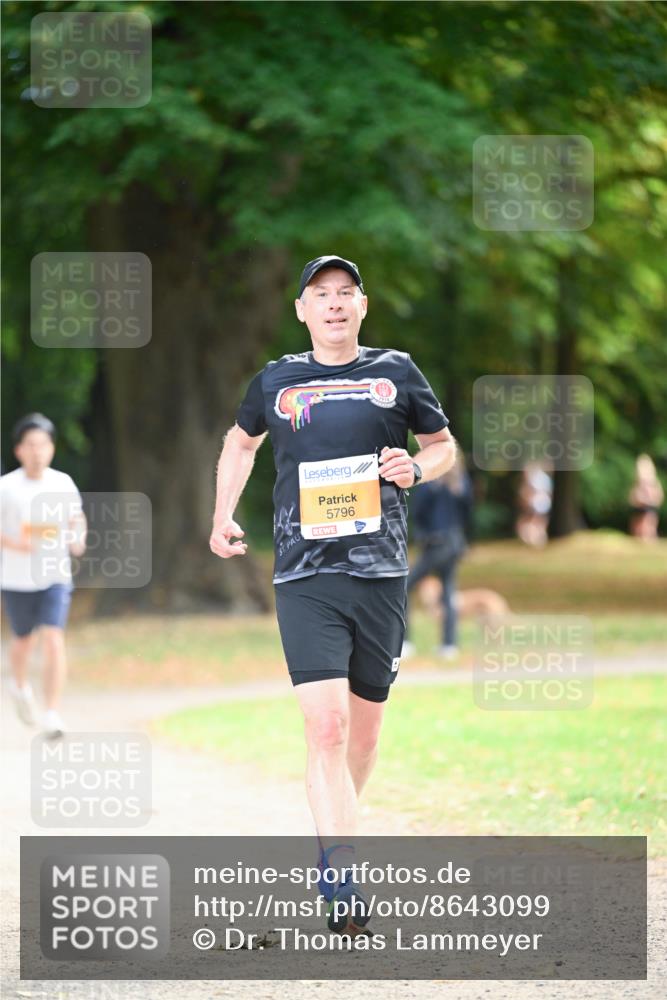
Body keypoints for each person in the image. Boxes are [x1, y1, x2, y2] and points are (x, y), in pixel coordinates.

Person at [209, 255, 455, 933]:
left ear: (362, 306)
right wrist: (222, 512)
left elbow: (441, 445)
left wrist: (416, 467)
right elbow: (239, 443)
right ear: (302, 310)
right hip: (303, 574)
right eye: (322, 295)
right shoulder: (277, 380)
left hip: (378, 574)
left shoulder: (396, 372)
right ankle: (342, 878)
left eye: (346, 294)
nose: (335, 304)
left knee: (363, 738)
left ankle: (333, 837)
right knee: (325, 727)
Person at [1, 413, 86, 739]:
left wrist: (77, 538)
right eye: (31, 445)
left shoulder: (62, 483)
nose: (38, 451)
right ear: (19, 449)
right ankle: (19, 686)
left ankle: (52, 713)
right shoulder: (6, 487)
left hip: (55, 573)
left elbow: (76, 519)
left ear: (51, 448)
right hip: (16, 577)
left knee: (53, 639)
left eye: (44, 445)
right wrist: (17, 544)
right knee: (23, 641)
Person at [402, 451, 473, 660]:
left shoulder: (430, 482)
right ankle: (449, 645)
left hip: (435, 543)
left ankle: (405, 641)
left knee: (405, 588)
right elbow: (467, 512)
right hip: (454, 543)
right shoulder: (461, 482)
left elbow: (418, 510)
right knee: (448, 593)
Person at [515, 462, 552, 547]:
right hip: (542, 502)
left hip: (536, 502)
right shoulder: (544, 478)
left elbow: (528, 491)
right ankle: (536, 537)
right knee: (537, 520)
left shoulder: (535, 478)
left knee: (533, 520)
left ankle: (533, 537)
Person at [628, 454, 663, 541]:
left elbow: (659, 497)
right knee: (637, 525)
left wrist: (649, 500)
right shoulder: (638, 484)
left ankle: (648, 539)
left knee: (648, 524)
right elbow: (632, 497)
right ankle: (639, 539)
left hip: (649, 508)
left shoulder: (654, 484)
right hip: (639, 507)